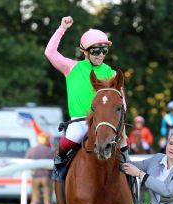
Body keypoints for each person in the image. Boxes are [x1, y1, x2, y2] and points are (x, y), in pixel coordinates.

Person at [44, 16, 127, 179]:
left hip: (106, 121)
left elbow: (121, 101)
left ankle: (131, 179)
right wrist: (62, 29)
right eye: (96, 51)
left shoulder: (111, 72)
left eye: (104, 50)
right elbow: (49, 53)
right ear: (85, 52)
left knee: (124, 142)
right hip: (81, 121)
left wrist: (120, 122)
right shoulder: (71, 67)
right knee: (72, 137)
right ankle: (59, 167)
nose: (100, 55)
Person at [25, 132, 54, 204]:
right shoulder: (50, 151)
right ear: (47, 140)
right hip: (47, 177)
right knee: (47, 198)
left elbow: (27, 162)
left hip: (36, 177)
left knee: (35, 199)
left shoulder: (32, 150)